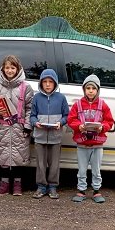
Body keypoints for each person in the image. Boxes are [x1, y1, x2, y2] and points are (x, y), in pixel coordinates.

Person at [0, 55, 34, 196]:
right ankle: (3, 184)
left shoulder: (25, 87)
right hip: (3, 127)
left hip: (19, 127)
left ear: (18, 69)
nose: (9, 70)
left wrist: (28, 126)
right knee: (3, 156)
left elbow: (30, 108)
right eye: (7, 67)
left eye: (12, 68)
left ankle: (17, 184)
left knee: (18, 157)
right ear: (3, 69)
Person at [67, 74, 114, 203]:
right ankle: (81, 190)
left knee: (96, 170)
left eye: (93, 88)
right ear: (84, 89)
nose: (91, 91)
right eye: (88, 88)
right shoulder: (78, 105)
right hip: (82, 145)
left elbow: (109, 121)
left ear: (97, 90)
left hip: (97, 145)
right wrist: (79, 126)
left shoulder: (103, 105)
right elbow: (71, 119)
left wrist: (102, 127)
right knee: (81, 169)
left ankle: (96, 190)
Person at [30, 69, 69, 199]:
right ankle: (41, 186)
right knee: (40, 163)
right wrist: (36, 123)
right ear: (41, 83)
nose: (47, 84)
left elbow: (66, 116)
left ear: (55, 83)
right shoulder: (36, 98)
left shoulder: (61, 98)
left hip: (55, 137)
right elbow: (32, 116)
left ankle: (52, 186)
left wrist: (60, 123)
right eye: (45, 82)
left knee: (54, 164)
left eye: (50, 82)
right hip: (40, 137)